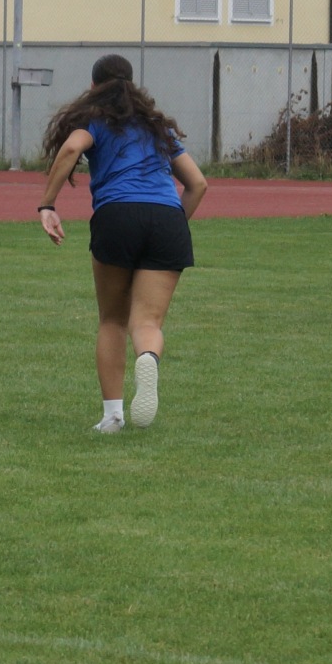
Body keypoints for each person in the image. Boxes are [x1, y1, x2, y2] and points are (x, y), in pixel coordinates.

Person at [37, 54, 208, 433]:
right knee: (147, 322)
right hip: (167, 219)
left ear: (94, 87)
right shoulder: (156, 128)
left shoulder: (95, 121)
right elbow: (198, 184)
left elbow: (71, 149)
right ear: (132, 86)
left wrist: (47, 204)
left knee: (112, 319)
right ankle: (148, 357)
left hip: (117, 215)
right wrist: (170, 226)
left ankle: (113, 416)